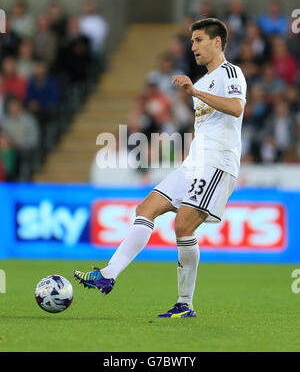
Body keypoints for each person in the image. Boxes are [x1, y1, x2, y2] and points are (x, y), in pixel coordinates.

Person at [74, 18, 247, 318]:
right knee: (145, 208)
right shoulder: (203, 82)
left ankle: (185, 303)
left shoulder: (230, 73)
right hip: (193, 163)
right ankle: (108, 274)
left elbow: (235, 107)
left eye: (199, 40)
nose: (192, 47)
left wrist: (194, 93)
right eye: (192, 41)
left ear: (217, 42)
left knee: (182, 226)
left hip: (218, 164)